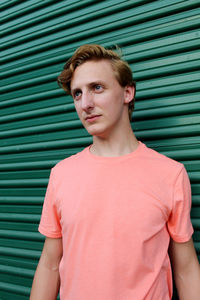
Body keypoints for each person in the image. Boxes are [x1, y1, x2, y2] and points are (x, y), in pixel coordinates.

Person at [30, 44, 200, 300]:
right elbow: (50, 264)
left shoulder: (170, 174)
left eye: (97, 88)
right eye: (77, 94)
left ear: (127, 92)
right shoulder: (61, 175)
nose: (85, 104)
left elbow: (186, 269)